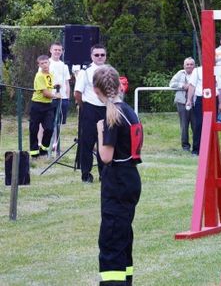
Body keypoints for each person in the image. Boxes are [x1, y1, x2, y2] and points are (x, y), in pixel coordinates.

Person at [94, 65, 142, 286]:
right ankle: (126, 280)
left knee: (111, 238)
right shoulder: (128, 109)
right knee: (123, 235)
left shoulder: (111, 114)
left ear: (96, 90)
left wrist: (99, 130)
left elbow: (105, 156)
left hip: (118, 180)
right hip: (131, 176)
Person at [74, 44, 108, 182]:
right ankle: (86, 174)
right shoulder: (85, 72)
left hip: (106, 109)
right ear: (91, 56)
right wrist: (84, 107)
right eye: (97, 55)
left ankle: (104, 174)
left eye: (102, 55)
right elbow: (77, 93)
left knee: (105, 142)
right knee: (87, 142)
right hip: (89, 109)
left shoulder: (109, 71)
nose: (100, 57)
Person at [185, 66, 221, 156]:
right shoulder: (197, 71)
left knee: (212, 125)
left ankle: (211, 149)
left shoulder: (215, 70)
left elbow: (220, 88)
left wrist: (220, 103)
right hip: (201, 99)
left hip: (213, 99)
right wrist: (189, 100)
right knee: (198, 124)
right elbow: (192, 86)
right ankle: (196, 149)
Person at [29, 55, 61, 157]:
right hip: (37, 105)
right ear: (39, 65)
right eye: (42, 63)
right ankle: (34, 153)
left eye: (46, 62)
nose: (44, 65)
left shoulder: (50, 75)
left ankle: (43, 150)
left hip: (48, 106)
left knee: (49, 128)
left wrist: (56, 87)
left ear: (49, 63)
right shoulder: (39, 76)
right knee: (34, 129)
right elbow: (45, 93)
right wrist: (56, 96)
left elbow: (49, 87)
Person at [169, 57, 196, 152]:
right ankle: (185, 147)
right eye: (187, 64)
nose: (189, 66)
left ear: (194, 65)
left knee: (196, 125)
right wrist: (183, 86)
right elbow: (171, 84)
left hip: (195, 103)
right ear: (184, 66)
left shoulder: (198, 73)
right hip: (181, 102)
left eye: (191, 64)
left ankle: (196, 146)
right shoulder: (180, 73)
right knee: (184, 126)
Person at [48, 42, 71, 124]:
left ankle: (55, 137)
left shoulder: (64, 66)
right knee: (47, 124)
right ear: (51, 50)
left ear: (62, 51)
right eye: (55, 50)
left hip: (62, 99)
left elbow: (67, 83)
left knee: (58, 124)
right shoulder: (45, 64)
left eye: (59, 50)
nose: (57, 52)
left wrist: (67, 98)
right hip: (49, 98)